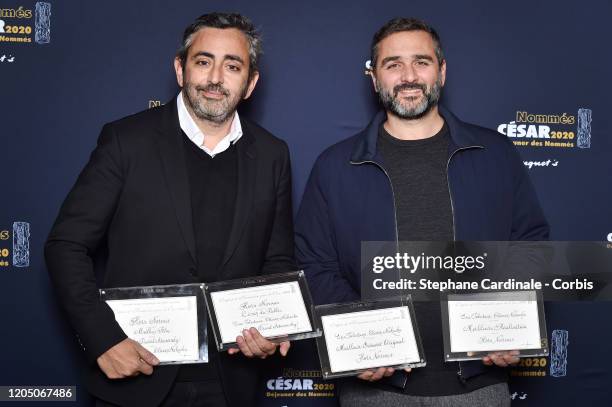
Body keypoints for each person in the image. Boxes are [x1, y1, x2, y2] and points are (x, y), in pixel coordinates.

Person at [295, 17, 549, 406]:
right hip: (375, 389)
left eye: (422, 62)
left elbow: (529, 246)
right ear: (374, 78)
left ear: (442, 72)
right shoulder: (335, 165)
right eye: (393, 64)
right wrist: (362, 335)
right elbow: (314, 266)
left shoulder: (495, 154)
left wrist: (510, 322)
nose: (408, 76)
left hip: (479, 386)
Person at [45, 12, 295, 407]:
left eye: (232, 66)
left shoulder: (271, 154)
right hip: (137, 375)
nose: (215, 78)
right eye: (203, 61)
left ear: (250, 83)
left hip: (232, 384)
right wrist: (102, 340)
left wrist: (276, 328)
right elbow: (66, 245)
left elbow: (277, 258)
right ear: (180, 69)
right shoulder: (126, 141)